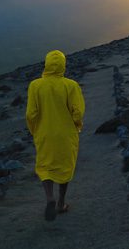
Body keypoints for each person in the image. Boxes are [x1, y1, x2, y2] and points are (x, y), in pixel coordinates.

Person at [26, 50, 85, 221]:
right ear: (63, 65)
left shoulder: (35, 85)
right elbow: (78, 111)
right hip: (66, 134)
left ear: (46, 64)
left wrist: (34, 130)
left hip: (44, 133)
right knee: (64, 166)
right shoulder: (71, 85)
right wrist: (76, 125)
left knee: (45, 166)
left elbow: (31, 114)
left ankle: (49, 197)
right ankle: (60, 203)